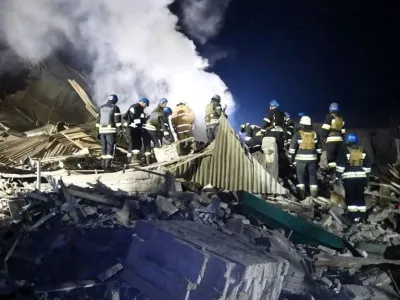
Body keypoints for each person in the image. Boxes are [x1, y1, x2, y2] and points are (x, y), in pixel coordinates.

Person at [336, 132, 372, 222]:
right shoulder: (362, 150)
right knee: (360, 196)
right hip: (361, 178)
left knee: (351, 196)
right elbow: (367, 167)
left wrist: (338, 178)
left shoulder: (344, 150)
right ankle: (362, 216)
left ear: (347, 140)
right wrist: (366, 179)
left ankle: (353, 217)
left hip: (348, 178)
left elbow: (341, 166)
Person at [288, 116, 322, 199]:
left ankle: (301, 196)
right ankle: (314, 196)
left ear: (301, 124)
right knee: (313, 176)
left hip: (300, 159)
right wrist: (317, 158)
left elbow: (292, 146)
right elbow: (319, 149)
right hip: (312, 159)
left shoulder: (298, 134)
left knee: (300, 177)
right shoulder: (315, 133)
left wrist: (290, 157)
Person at [96, 94, 122, 171]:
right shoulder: (115, 108)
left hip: (101, 131)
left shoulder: (101, 107)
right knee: (110, 148)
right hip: (110, 131)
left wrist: (97, 132)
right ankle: (107, 167)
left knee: (103, 148)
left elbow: (98, 120)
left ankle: (103, 165)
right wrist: (120, 130)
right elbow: (117, 121)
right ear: (115, 100)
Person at [321, 102, 346, 176]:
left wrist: (323, 137)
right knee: (337, 157)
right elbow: (343, 131)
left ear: (330, 109)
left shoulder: (329, 117)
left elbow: (325, 128)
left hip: (331, 140)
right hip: (340, 140)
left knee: (331, 158)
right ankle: (339, 173)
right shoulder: (341, 119)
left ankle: (332, 173)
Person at [123, 97, 149, 165]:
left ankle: (131, 160)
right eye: (145, 105)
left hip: (133, 129)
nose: (145, 107)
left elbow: (125, 116)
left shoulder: (136, 108)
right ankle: (132, 160)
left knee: (134, 144)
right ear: (142, 103)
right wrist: (141, 121)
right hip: (133, 129)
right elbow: (134, 118)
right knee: (135, 144)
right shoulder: (137, 107)